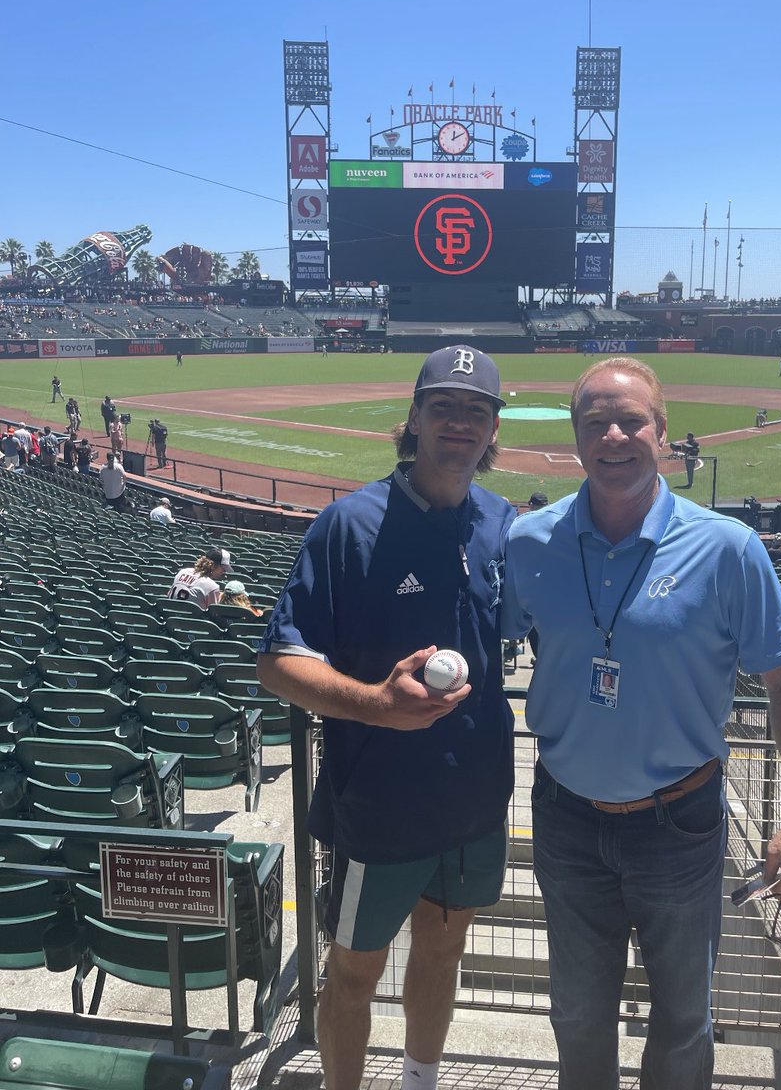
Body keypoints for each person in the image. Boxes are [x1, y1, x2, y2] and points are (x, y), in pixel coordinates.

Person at [502, 357, 781, 1090]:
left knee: (685, 1023)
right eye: (595, 423)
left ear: (664, 432)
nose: (614, 435)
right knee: (578, 1017)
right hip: (565, 818)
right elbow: (482, 641)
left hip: (679, 824)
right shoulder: (529, 543)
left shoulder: (727, 547)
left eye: (631, 420)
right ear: (577, 438)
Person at [257, 345, 515, 1090]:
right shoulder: (349, 525)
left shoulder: (502, 522)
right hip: (380, 809)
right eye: (445, 407)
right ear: (414, 418)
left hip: (475, 804)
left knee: (442, 954)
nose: (460, 423)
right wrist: (377, 705)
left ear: (493, 429)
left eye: (477, 411)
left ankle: (420, 1082)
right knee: (353, 976)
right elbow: (278, 662)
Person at [168, 547, 233, 608]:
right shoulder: (212, 586)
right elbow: (213, 613)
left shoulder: (182, 572)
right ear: (212, 565)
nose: (224, 571)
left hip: (170, 616)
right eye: (223, 568)